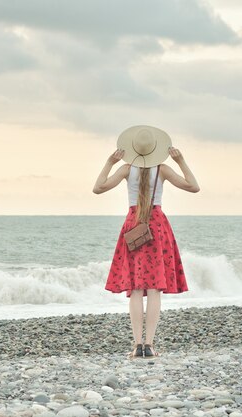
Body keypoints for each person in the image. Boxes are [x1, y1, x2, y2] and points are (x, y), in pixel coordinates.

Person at [92, 125, 200, 360]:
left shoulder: (126, 169)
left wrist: (110, 162)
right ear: (155, 149)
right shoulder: (162, 169)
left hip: (134, 223)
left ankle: (137, 345)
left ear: (133, 149)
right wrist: (181, 161)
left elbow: (98, 188)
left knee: (136, 288)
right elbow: (194, 186)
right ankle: (149, 345)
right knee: (153, 289)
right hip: (156, 225)